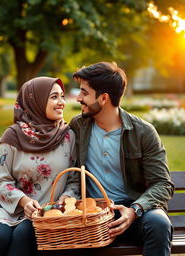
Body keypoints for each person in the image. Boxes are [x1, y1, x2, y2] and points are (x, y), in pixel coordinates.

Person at [69, 61, 174, 256]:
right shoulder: (78, 126)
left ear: (104, 98)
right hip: (93, 215)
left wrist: (135, 210)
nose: (78, 98)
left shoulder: (143, 132)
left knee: (159, 224)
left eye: (84, 92)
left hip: (134, 212)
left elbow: (162, 183)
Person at [0, 77, 79, 256]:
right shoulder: (12, 136)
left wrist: (63, 202)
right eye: (54, 97)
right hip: (9, 207)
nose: (61, 103)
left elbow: (74, 180)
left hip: (44, 212)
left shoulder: (68, 137)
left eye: (62, 96)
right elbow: (0, 181)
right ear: (36, 101)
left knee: (24, 234)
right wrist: (24, 201)